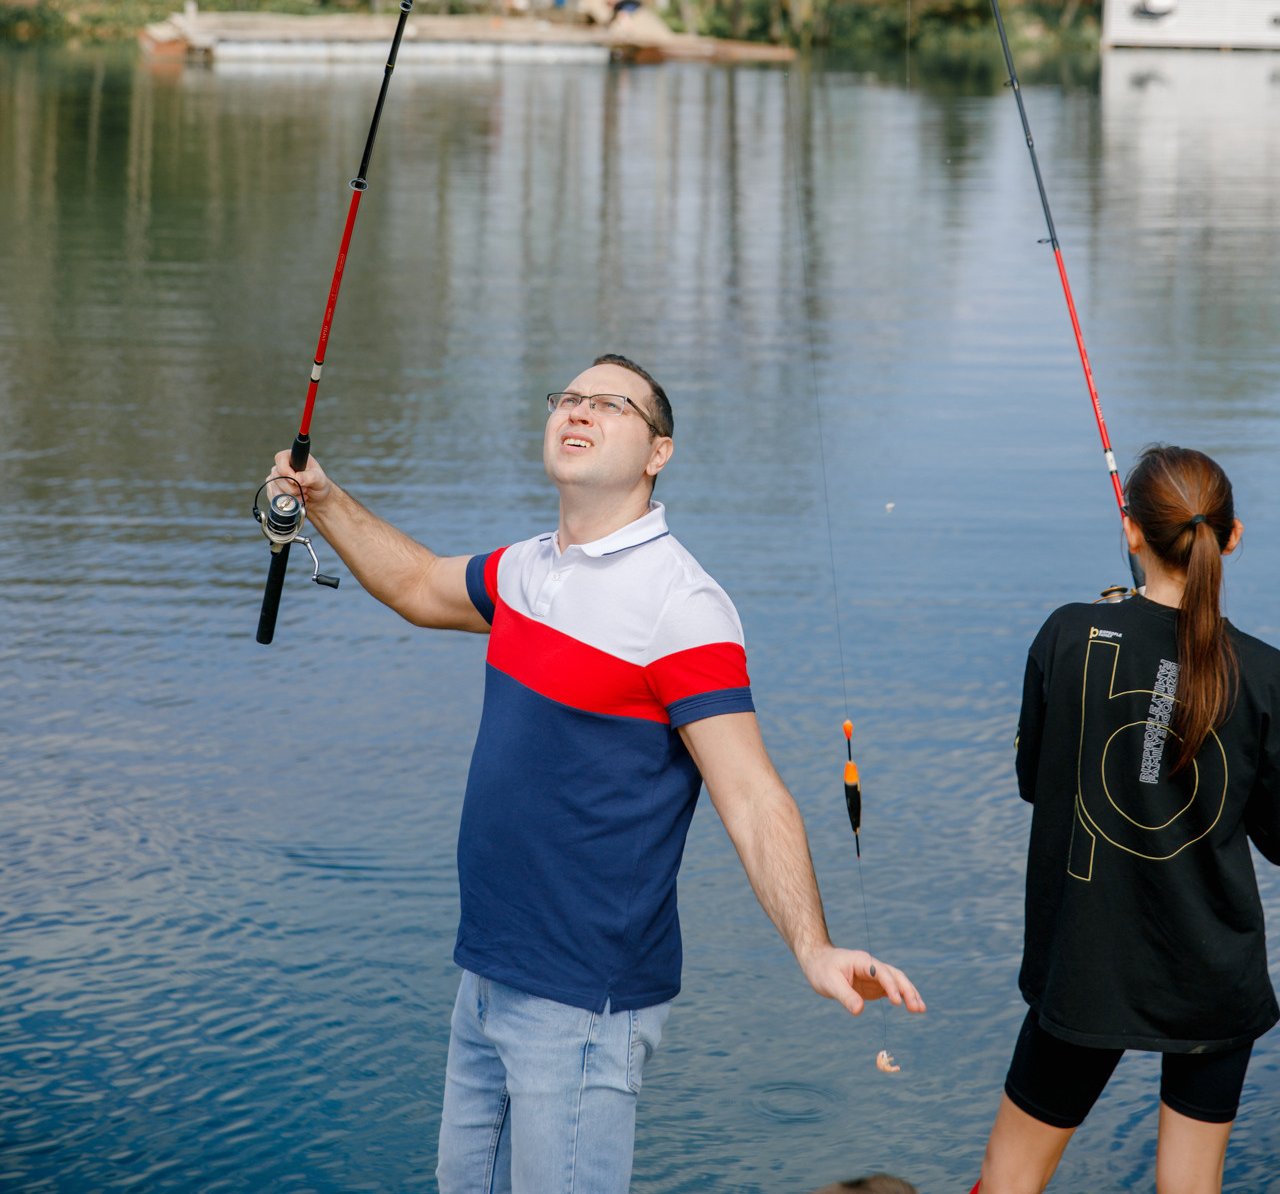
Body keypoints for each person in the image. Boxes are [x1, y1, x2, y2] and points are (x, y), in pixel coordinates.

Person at [271, 353, 925, 1194]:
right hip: (488, 972)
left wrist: (813, 944)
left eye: (611, 405)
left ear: (658, 454)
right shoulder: (527, 569)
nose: (579, 411)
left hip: (582, 1002)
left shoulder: (680, 606)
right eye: (570, 398)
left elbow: (751, 793)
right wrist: (323, 499)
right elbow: (418, 584)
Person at [973, 444, 1280, 1194]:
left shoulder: (1067, 634)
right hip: (1212, 975)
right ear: (1231, 538)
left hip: (1086, 969)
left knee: (1010, 1180)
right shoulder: (1265, 672)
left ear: (1131, 530)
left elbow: (1036, 781)